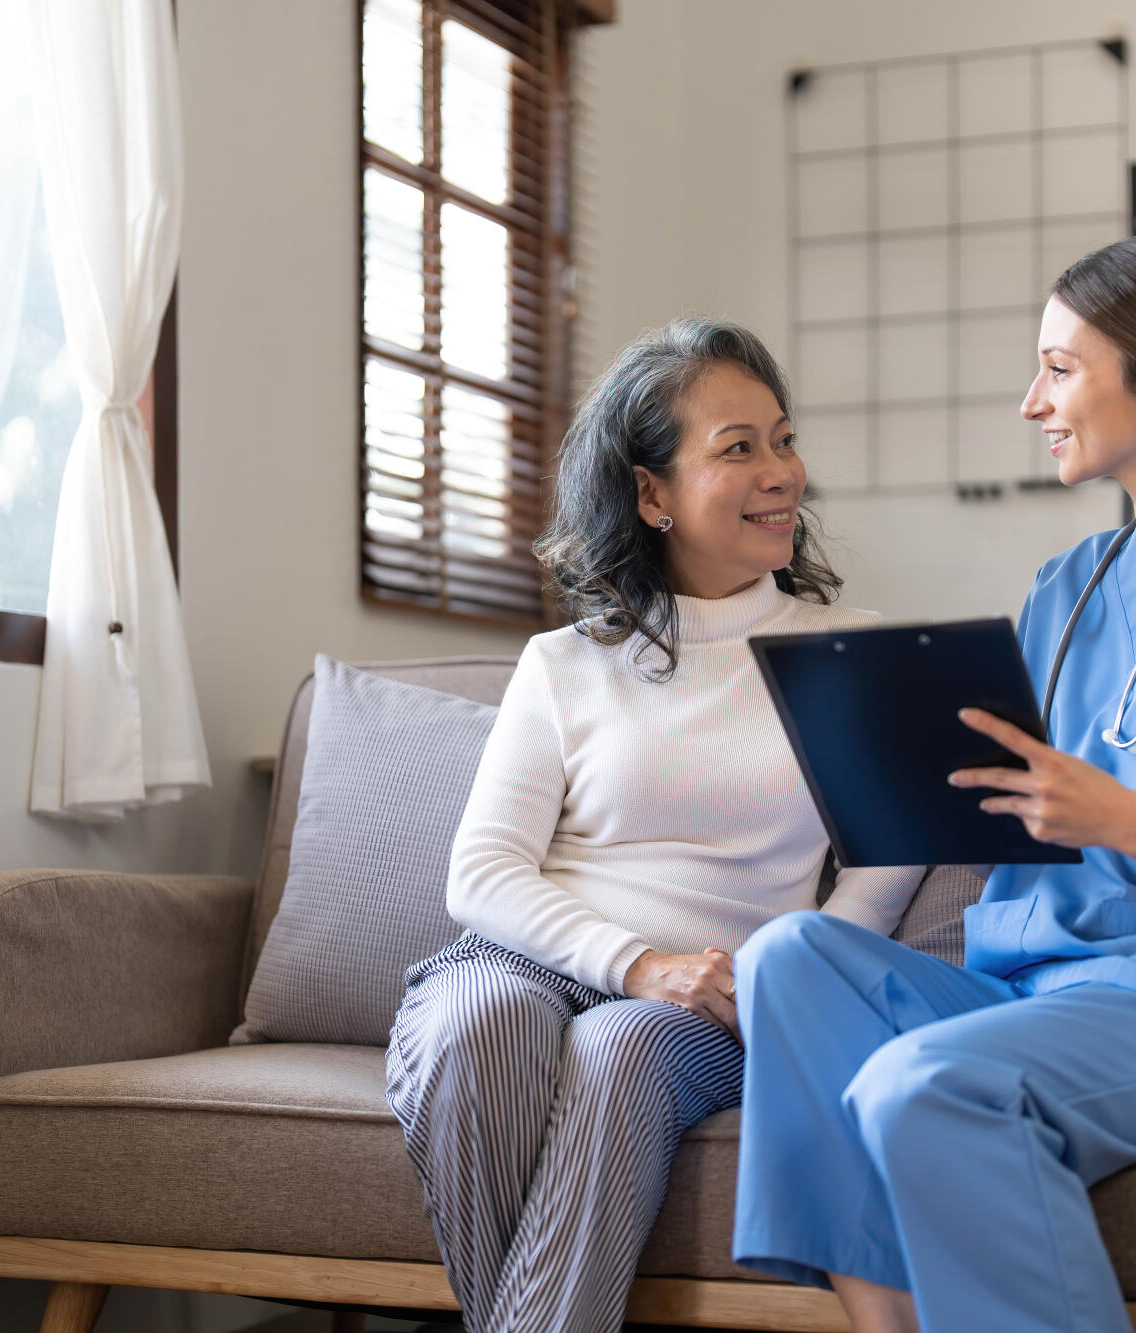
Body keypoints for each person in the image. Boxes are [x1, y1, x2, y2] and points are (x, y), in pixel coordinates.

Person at [731, 234, 1136, 1333]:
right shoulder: (1063, 588)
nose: (1029, 400)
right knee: (787, 958)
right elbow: (1011, 813)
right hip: (1032, 988)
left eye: (1057, 366)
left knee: (925, 1084)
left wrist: (1112, 815)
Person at [385, 318, 924, 1333]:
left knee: (621, 1049)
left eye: (782, 438)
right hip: (528, 960)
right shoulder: (565, 662)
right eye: (736, 448)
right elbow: (482, 873)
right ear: (650, 493)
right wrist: (634, 961)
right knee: (475, 1027)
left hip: (712, 999)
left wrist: (763, 981)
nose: (780, 472)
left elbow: (881, 869)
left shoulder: (847, 657)